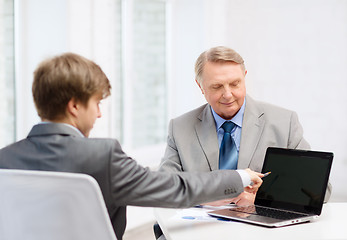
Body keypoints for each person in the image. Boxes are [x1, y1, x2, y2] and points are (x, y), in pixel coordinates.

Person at [0, 53, 263, 240]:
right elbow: (175, 188)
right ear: (75, 106)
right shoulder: (101, 157)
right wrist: (240, 177)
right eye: (97, 103)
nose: (99, 114)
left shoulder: (5, 159)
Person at [159, 46, 331, 205]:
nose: (228, 94)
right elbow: (163, 188)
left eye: (235, 84)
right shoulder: (180, 128)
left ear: (244, 77)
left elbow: (321, 191)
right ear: (200, 86)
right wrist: (208, 197)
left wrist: (261, 199)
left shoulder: (284, 123)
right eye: (217, 86)